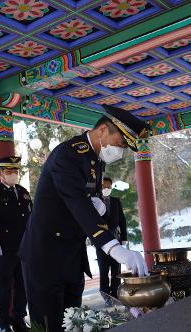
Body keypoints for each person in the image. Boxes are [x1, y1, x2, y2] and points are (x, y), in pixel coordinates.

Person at [19, 105, 150, 331]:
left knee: (73, 323)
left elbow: (89, 199)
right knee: (49, 325)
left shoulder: (95, 158)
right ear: (101, 131)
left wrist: (97, 202)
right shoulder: (67, 155)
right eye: (119, 143)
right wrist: (113, 247)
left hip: (71, 255)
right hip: (46, 257)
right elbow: (78, 203)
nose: (119, 151)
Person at [0, 156, 32, 332]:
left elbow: (31, 219)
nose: (13, 174)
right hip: (4, 247)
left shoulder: (23, 191)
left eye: (15, 171)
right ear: (1, 173)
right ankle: (4, 322)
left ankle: (19, 318)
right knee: (3, 286)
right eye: (9, 171)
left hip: (24, 246)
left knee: (22, 285)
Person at [96, 176, 128, 304]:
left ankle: (116, 293)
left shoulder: (115, 201)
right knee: (103, 270)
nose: (106, 188)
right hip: (101, 241)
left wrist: (124, 237)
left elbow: (122, 220)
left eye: (108, 187)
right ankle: (105, 295)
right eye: (103, 186)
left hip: (116, 239)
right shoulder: (95, 201)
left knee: (116, 269)